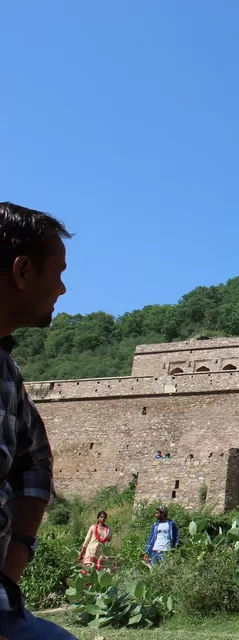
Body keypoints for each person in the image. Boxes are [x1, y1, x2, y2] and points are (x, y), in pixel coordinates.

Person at [0, 202, 77, 639]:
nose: (63, 288)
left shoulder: (6, 373)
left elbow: (34, 460)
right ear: (23, 271)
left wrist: (13, 563)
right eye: (59, 272)